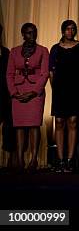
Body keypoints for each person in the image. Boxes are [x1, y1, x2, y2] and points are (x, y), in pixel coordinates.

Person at [6, 23, 50, 172]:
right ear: (23, 34)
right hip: (18, 91)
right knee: (19, 126)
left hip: (35, 93)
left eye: (34, 32)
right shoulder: (14, 51)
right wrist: (13, 92)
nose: (32, 36)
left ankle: (33, 159)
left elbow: (44, 74)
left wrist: (34, 92)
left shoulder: (43, 51)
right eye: (29, 33)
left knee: (33, 125)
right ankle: (19, 159)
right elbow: (9, 74)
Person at [49, 20, 79, 172]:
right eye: (67, 29)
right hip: (59, 89)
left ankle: (70, 160)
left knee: (73, 121)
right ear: (62, 31)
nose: (70, 32)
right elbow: (51, 72)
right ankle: (60, 160)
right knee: (59, 122)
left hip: (75, 89)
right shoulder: (55, 48)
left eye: (73, 29)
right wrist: (55, 88)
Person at [0, 23, 17, 170]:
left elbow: (11, 74)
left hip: (5, 95)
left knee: (9, 127)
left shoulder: (6, 52)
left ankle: (11, 158)